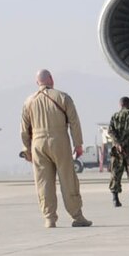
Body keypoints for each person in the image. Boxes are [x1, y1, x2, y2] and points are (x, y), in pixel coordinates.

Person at [21, 69, 91, 228]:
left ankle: (49, 218)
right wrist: (78, 144)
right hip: (59, 140)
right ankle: (77, 216)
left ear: (37, 82)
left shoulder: (29, 101)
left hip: (38, 143)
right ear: (51, 79)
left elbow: (24, 129)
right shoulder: (63, 97)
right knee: (68, 179)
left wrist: (27, 149)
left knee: (43, 182)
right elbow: (74, 122)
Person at [107, 96, 129, 207]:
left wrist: (118, 144)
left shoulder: (115, 116)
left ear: (120, 104)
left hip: (118, 151)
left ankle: (115, 199)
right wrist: (125, 143)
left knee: (115, 173)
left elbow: (111, 131)